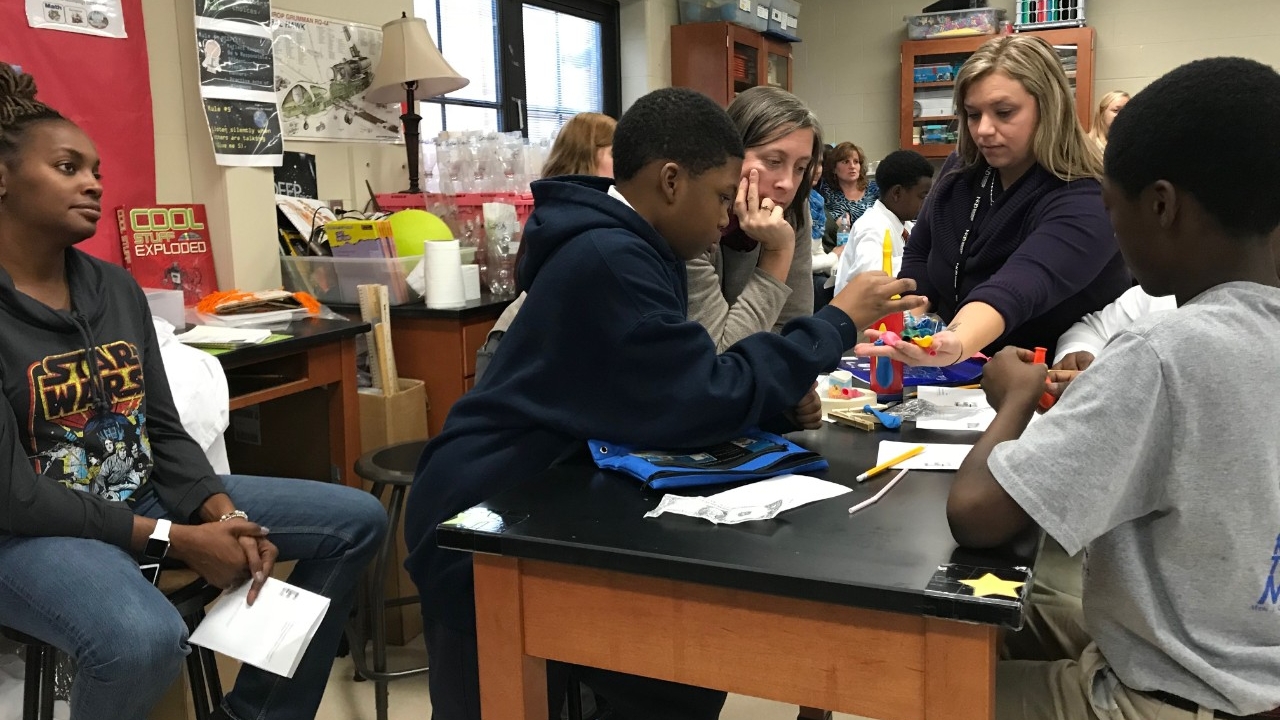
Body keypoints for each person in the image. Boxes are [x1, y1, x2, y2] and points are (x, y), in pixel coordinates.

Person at [403, 87, 925, 720]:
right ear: (671, 181)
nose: (724, 217)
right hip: (484, 516)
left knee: (676, 682)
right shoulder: (613, 259)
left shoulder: (640, 248)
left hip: (552, 498)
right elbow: (702, 392)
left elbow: (667, 389)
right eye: (718, 195)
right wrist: (836, 323)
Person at [0, 63, 386, 720]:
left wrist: (220, 512)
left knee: (356, 522)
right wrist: (174, 539)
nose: (94, 181)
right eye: (68, 167)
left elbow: (162, 429)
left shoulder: (114, 290)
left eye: (95, 167)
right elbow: (17, 497)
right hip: (30, 536)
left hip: (140, 499)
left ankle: (256, 714)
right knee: (142, 640)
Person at [946, 56, 1280, 720]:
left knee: (916, 685)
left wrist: (1016, 394)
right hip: (1245, 666)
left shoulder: (1162, 353)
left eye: (1111, 210)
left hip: (1171, 693)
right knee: (988, 627)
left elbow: (977, 514)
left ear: (1160, 206)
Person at [856, 34, 1130, 366]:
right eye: (973, 115)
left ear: (1049, 108)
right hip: (965, 372)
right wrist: (912, 316)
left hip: (1044, 379)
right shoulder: (963, 168)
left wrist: (953, 342)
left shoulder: (1085, 197)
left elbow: (1018, 287)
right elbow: (921, 249)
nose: (984, 130)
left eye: (1003, 112)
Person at [475, 112, 617, 382]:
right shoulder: (568, 219)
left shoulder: (552, 214)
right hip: (521, 350)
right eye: (614, 153)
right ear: (586, 154)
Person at [687, 86, 821, 352]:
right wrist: (778, 253)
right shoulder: (690, 215)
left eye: (800, 168)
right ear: (730, 155)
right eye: (773, 161)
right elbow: (720, 356)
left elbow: (794, 331)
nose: (788, 183)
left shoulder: (791, 208)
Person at [833, 149, 934, 292]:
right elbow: (868, 280)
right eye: (922, 196)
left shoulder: (907, 227)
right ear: (897, 193)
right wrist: (921, 261)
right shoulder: (871, 226)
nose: (925, 204)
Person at [817, 141, 879, 239]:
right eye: (846, 162)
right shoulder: (824, 192)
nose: (852, 166)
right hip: (838, 247)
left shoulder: (875, 190)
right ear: (834, 168)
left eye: (856, 162)